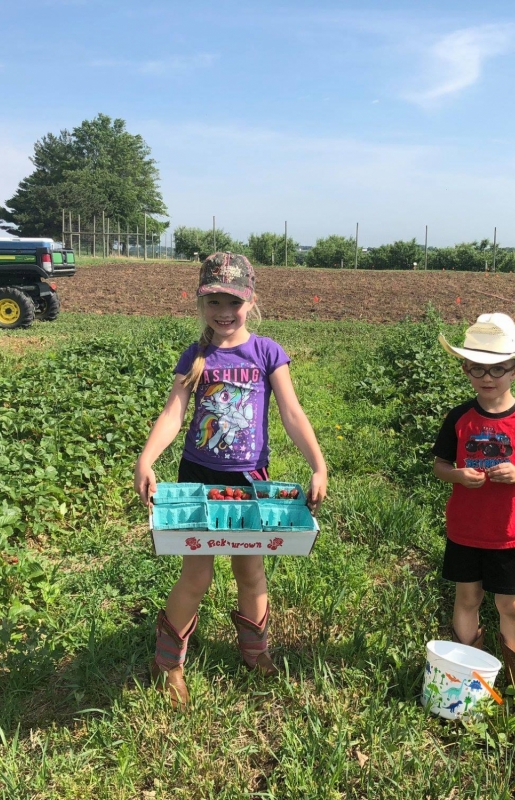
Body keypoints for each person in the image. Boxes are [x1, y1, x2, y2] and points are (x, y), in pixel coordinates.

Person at [134, 252, 328, 708]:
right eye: (213, 302)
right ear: (201, 305)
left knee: (250, 569)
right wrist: (145, 459)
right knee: (195, 577)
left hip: (249, 480)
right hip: (199, 478)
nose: (224, 312)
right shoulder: (196, 355)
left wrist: (318, 464)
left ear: (251, 301)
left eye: (233, 302)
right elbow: (174, 413)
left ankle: (255, 651)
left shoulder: (266, 352)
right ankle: (168, 663)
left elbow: (292, 413)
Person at [431, 313, 515, 684]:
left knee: (510, 604)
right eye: (477, 369)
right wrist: (458, 475)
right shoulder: (459, 418)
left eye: (497, 369)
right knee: (467, 599)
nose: (487, 378)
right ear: (465, 370)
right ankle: (466, 677)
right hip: (465, 529)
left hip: (511, 532)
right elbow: (440, 466)